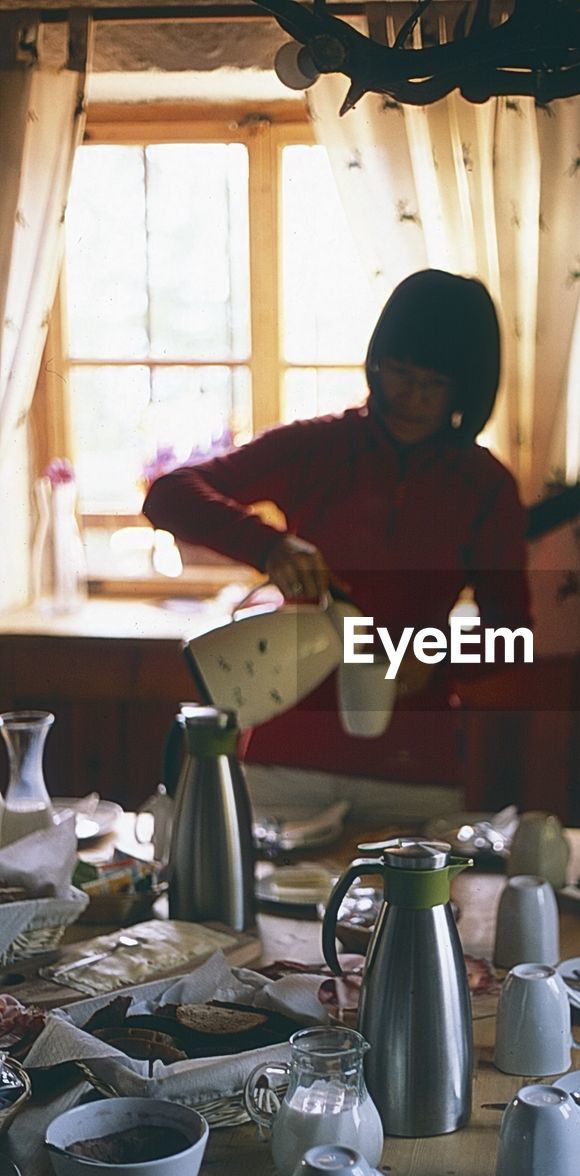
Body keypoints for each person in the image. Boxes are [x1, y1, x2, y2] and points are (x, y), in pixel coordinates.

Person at [143, 269, 531, 823]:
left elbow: (512, 635)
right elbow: (170, 494)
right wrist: (270, 547)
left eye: (433, 383)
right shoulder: (317, 448)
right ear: (376, 361)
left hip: (414, 765)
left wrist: (436, 660)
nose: (410, 396)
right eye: (398, 372)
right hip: (284, 754)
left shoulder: (485, 486)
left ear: (465, 388)